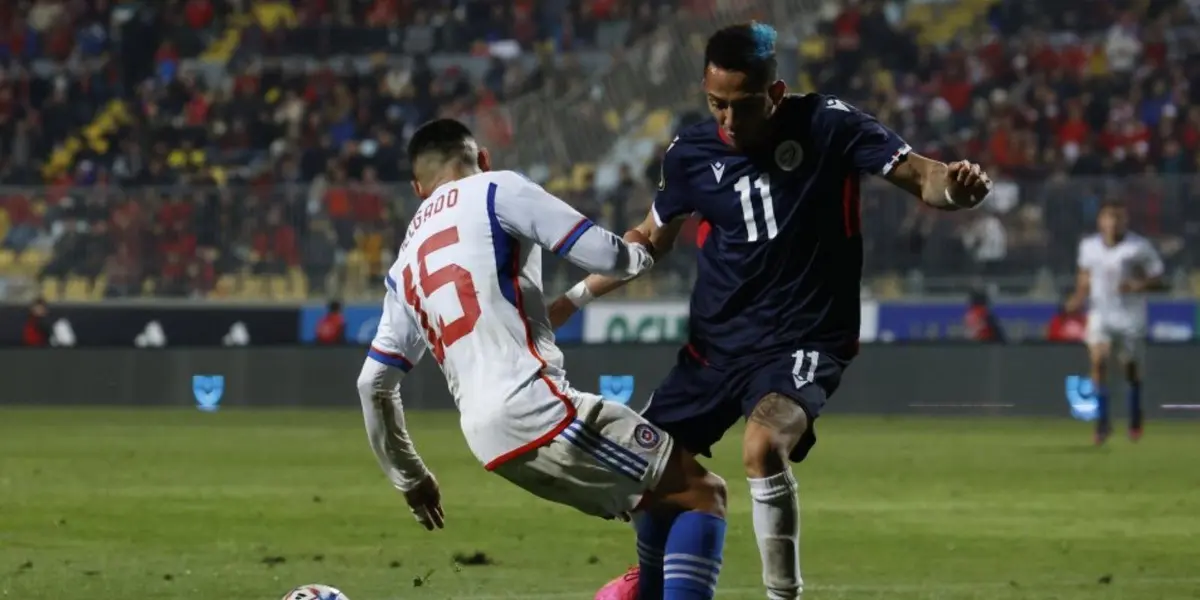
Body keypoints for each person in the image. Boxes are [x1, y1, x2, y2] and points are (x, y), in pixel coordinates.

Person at [546, 23, 993, 600]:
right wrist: (570, 300)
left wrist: (957, 188)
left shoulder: (830, 124)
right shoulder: (689, 153)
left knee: (761, 446)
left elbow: (924, 177)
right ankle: (649, 583)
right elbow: (649, 241)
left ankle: (784, 596)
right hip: (712, 350)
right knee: (649, 468)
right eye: (716, 105)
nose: (728, 120)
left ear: (775, 94)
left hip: (802, 340)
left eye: (742, 105)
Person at [356, 118, 730, 600]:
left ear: (417, 188)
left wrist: (411, 477)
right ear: (482, 159)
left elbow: (374, 385)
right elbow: (608, 255)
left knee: (659, 504)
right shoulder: (497, 189)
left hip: (487, 437)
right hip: (539, 409)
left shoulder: (405, 263)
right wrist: (642, 254)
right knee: (703, 497)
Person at [1065, 200, 1164, 445]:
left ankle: (1134, 418)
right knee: (1099, 362)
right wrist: (1077, 297)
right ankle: (1102, 423)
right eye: (1109, 217)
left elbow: (1159, 278)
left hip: (1130, 316)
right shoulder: (1089, 247)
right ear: (1101, 220)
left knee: (1129, 369)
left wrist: (1137, 285)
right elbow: (1085, 276)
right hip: (1100, 313)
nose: (1113, 223)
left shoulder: (1138, 247)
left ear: (1125, 221)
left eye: (1119, 218)